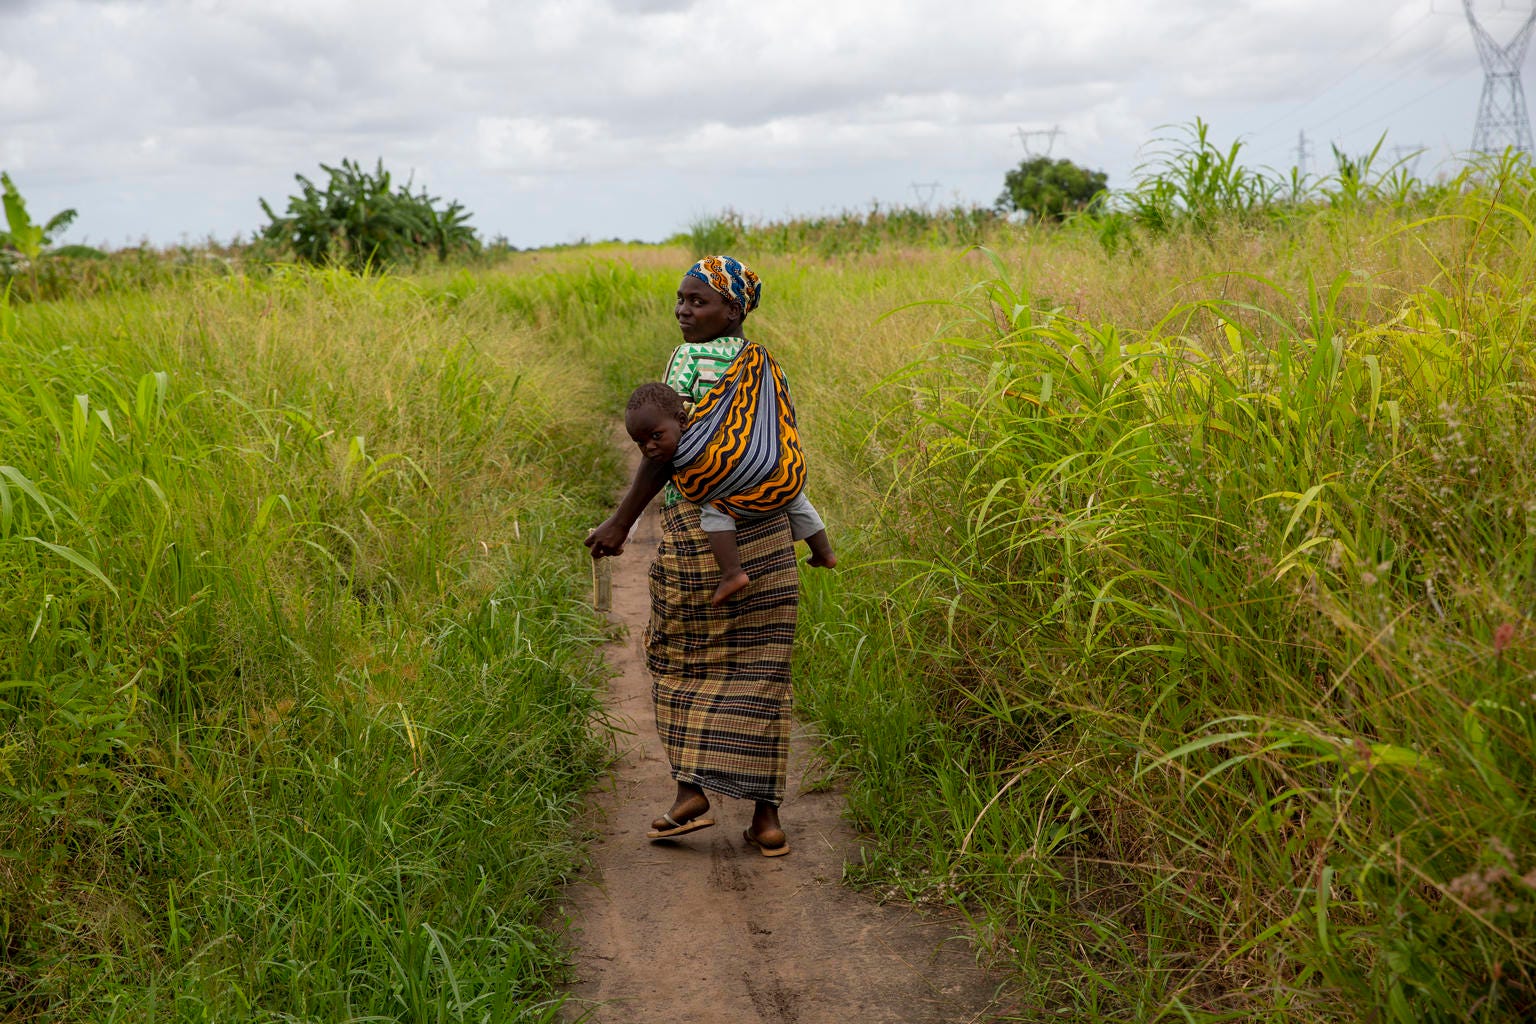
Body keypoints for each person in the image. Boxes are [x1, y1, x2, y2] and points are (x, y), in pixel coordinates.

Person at [585, 255, 812, 858]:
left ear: (733, 309)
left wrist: (621, 520)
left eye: (697, 301)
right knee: (764, 666)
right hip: (763, 527)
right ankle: (764, 816)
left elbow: (662, 451)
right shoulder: (767, 366)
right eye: (681, 300)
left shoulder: (685, 362)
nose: (684, 310)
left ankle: (693, 793)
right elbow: (776, 444)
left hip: (699, 527)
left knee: (686, 655)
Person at [623, 380, 835, 605]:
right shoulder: (708, 419)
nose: (650, 447)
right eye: (641, 443)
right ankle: (824, 552)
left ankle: (732, 573)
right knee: (796, 499)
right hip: (775, 478)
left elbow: (696, 488)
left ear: (682, 421)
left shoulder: (687, 453)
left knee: (714, 511)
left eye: (656, 436)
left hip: (748, 492)